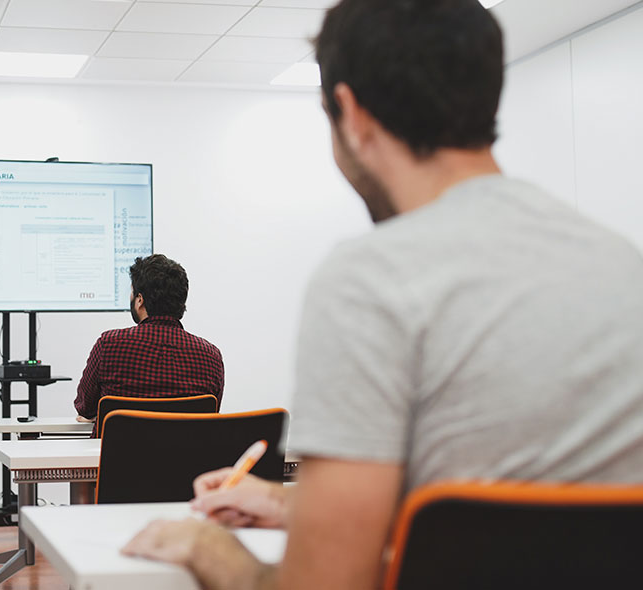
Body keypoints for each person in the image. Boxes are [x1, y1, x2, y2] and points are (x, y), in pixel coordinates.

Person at [122, 1, 643, 588]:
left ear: (350, 111)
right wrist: (297, 505)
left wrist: (204, 545)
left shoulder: (370, 280)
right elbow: (533, 513)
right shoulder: (620, 262)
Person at [74, 254, 224, 429]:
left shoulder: (108, 345)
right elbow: (209, 417)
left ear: (140, 300)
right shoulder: (211, 356)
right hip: (185, 448)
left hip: (122, 447)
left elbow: (85, 407)